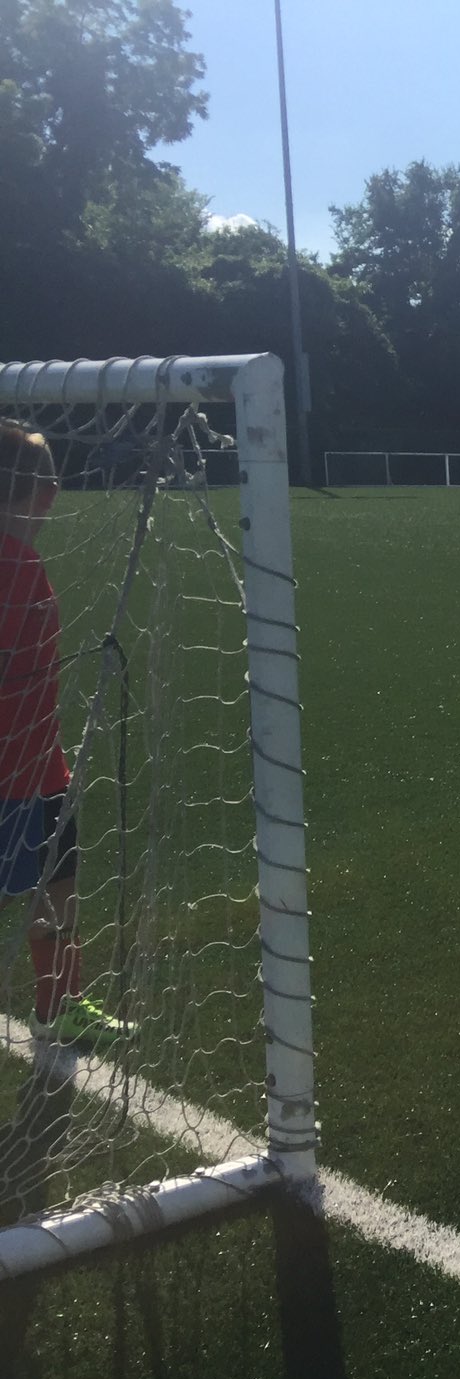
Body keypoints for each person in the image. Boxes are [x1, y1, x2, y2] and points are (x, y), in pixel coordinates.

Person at [0, 423, 127, 1226]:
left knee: (60, 893)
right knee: (46, 897)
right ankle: (58, 1008)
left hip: (43, 773)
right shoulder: (13, 564)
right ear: (42, 494)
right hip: (11, 783)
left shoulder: (28, 561)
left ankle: (61, 1009)